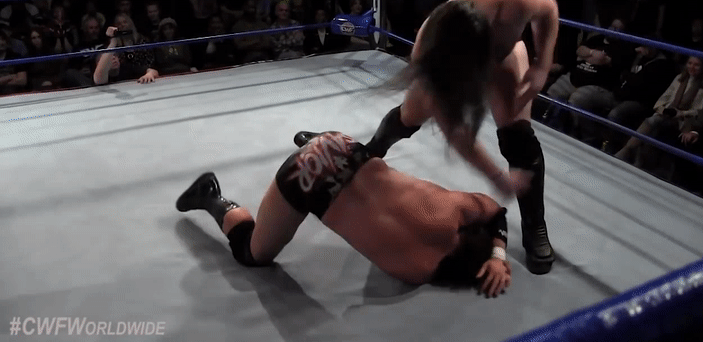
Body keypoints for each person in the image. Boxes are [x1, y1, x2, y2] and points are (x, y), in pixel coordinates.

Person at [362, 0, 560, 275]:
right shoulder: (431, 48)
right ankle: (369, 152)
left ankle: (535, 226)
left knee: (518, 136)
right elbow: (456, 131)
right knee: (409, 116)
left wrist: (542, 64)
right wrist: (497, 177)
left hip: (505, 56)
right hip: (452, 64)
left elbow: (548, 10)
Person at [176, 131, 512, 297]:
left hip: (339, 144)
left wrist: (499, 254)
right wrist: (492, 263)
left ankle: (310, 140)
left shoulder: (454, 210)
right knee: (253, 253)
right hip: (306, 178)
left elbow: (497, 212)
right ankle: (210, 196)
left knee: (253, 252)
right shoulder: (418, 271)